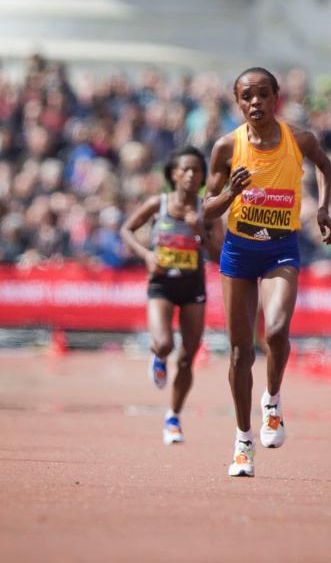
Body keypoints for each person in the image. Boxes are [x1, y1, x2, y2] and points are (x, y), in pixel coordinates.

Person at [204, 67, 331, 477]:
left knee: (277, 330)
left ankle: (273, 400)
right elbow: (205, 208)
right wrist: (231, 194)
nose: (256, 103)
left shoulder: (298, 139)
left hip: (280, 248)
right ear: (238, 102)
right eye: (247, 96)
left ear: (276, 98)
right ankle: (243, 440)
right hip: (240, 252)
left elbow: (325, 164)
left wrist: (323, 208)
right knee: (241, 351)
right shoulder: (226, 148)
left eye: (264, 94)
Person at [121, 146, 223, 444]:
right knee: (164, 344)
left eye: (197, 170)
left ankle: (173, 418)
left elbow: (218, 254)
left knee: (187, 358)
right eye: (186, 169)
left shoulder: (208, 211)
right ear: (174, 174)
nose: (192, 175)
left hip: (193, 286)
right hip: (162, 285)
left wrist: (199, 233)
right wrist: (146, 256)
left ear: (204, 176)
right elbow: (127, 229)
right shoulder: (159, 203)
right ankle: (158, 357)